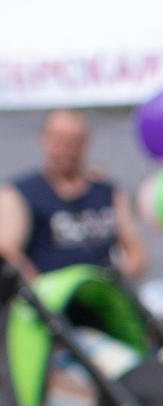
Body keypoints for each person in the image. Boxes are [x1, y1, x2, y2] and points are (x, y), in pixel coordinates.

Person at [3, 108, 146, 283]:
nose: (67, 150)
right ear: (44, 139)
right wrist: (37, 287)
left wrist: (120, 277)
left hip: (100, 296)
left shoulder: (108, 192)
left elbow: (135, 249)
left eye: (74, 142)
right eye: (59, 141)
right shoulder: (19, 193)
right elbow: (7, 251)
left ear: (86, 142)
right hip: (48, 300)